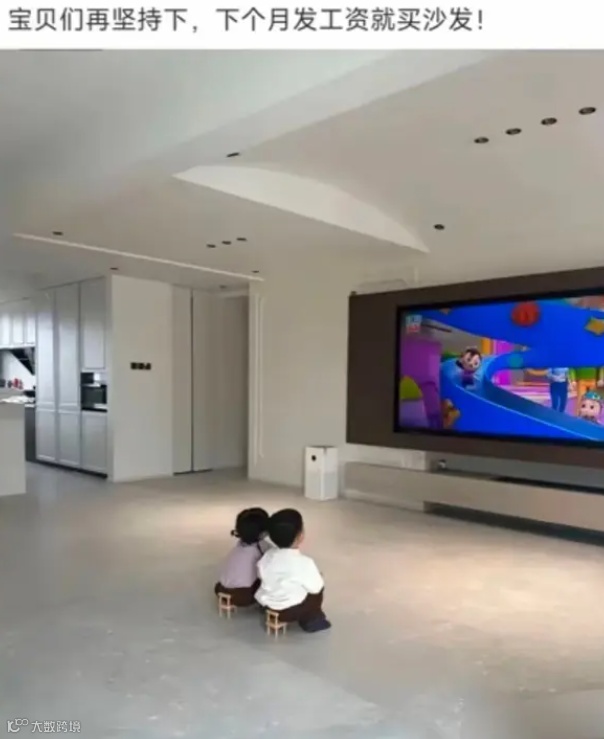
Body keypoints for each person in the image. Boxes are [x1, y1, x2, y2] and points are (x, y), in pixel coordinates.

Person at [256, 508, 331, 633]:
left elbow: (260, 575)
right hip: (290, 611)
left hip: (268, 605)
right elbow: (316, 588)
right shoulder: (305, 562)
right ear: (300, 536)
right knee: (318, 589)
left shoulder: (267, 555)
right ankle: (312, 621)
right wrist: (319, 577)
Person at [214, 507, 269, 607]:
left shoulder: (238, 546)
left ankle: (226, 599)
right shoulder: (262, 547)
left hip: (220, 589)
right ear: (263, 533)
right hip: (243, 596)